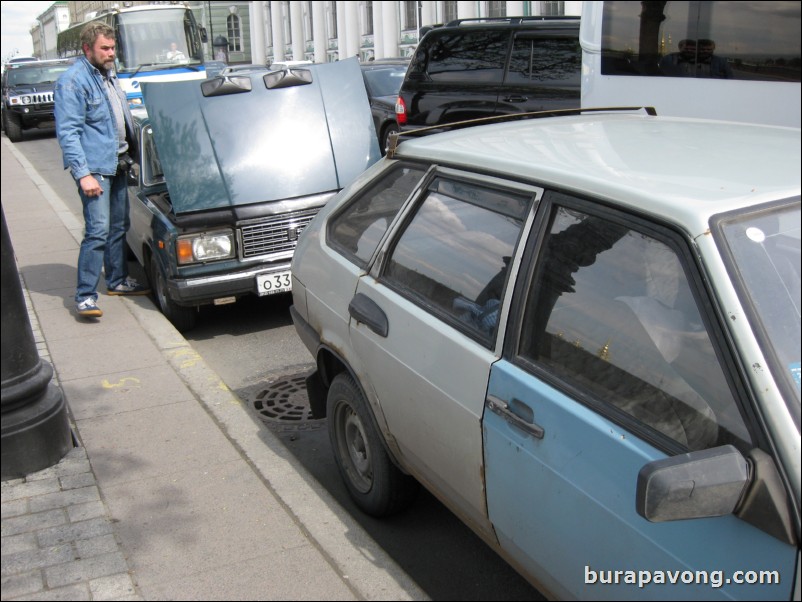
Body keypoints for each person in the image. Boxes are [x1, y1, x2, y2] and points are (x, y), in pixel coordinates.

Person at [55, 22, 149, 319]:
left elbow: (120, 117)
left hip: (118, 162)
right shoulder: (73, 81)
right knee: (97, 231)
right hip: (95, 168)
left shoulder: (109, 75)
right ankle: (84, 296)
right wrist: (83, 174)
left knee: (118, 227)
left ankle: (117, 280)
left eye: (113, 48)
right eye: (105, 49)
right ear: (87, 49)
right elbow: (68, 132)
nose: (111, 54)